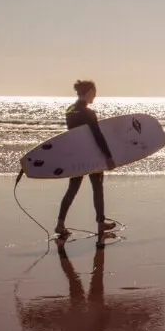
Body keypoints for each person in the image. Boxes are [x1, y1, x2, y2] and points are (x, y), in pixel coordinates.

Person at [56, 80, 117, 236]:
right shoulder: (88, 113)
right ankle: (101, 224)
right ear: (89, 92)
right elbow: (97, 136)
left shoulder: (70, 111)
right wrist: (108, 156)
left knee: (72, 189)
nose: (95, 97)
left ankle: (60, 223)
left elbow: (74, 136)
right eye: (94, 93)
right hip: (92, 156)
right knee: (97, 188)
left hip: (76, 156)